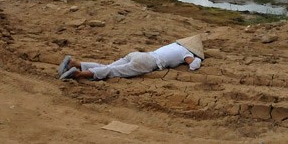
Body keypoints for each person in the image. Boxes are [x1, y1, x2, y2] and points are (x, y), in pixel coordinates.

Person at [57, 34, 205, 80]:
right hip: (148, 62)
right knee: (113, 72)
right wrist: (197, 59)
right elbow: (193, 66)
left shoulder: (173, 45)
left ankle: (75, 63)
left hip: (139, 54)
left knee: (109, 66)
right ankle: (80, 73)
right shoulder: (186, 52)